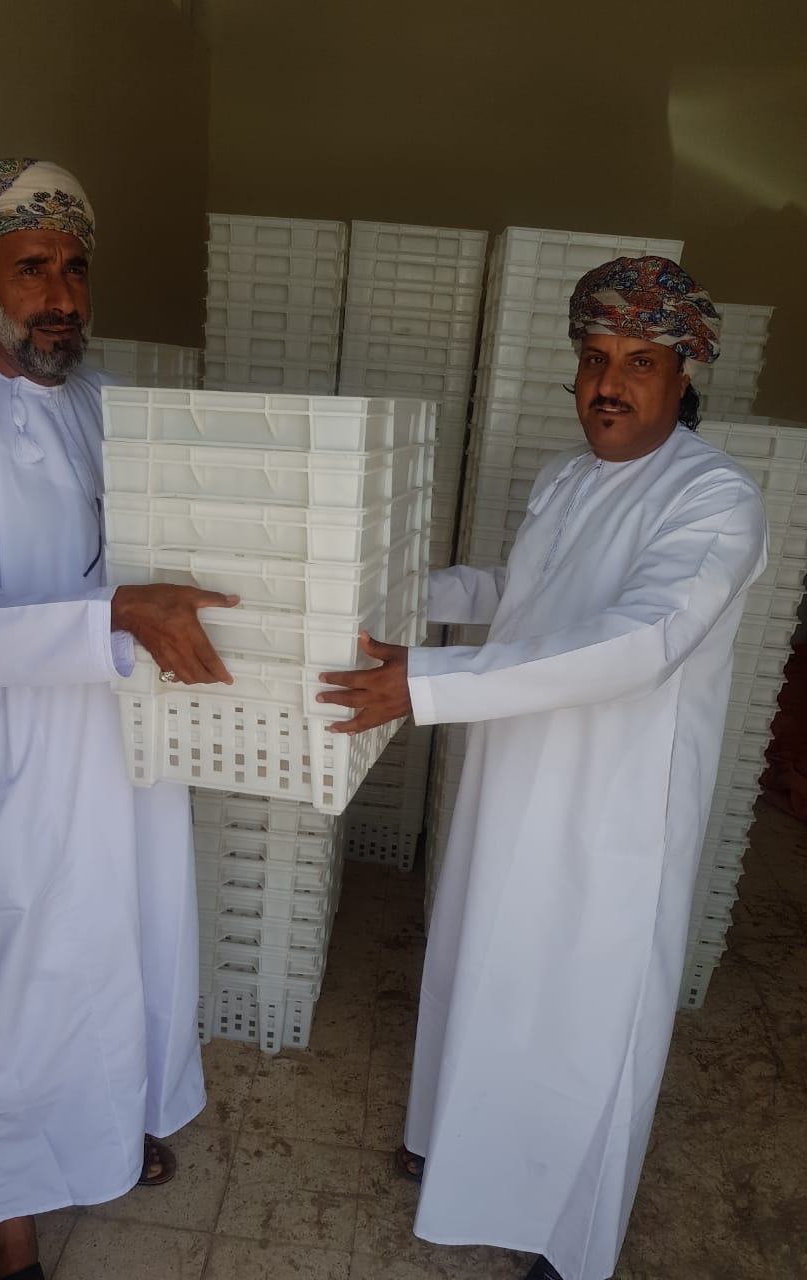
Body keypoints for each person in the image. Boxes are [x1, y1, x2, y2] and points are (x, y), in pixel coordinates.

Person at [317, 256, 769, 1280]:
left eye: (639, 361)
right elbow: (523, 593)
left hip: (612, 809)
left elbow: (639, 641)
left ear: (685, 373)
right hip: (513, 772)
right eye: (594, 358)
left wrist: (425, 682)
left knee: (582, 1020)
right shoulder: (568, 477)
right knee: (483, 965)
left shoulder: (715, 501)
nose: (608, 383)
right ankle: (454, 1145)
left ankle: (567, 1239)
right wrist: (400, 593)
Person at [0, 158, 239, 1280]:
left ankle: (115, 1126)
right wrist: (113, 613)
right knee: (16, 981)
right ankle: (11, 1217)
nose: (60, 295)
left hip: (123, 738)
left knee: (125, 946)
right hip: (10, 763)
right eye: (31, 268)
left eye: (74, 268)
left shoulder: (106, 403)